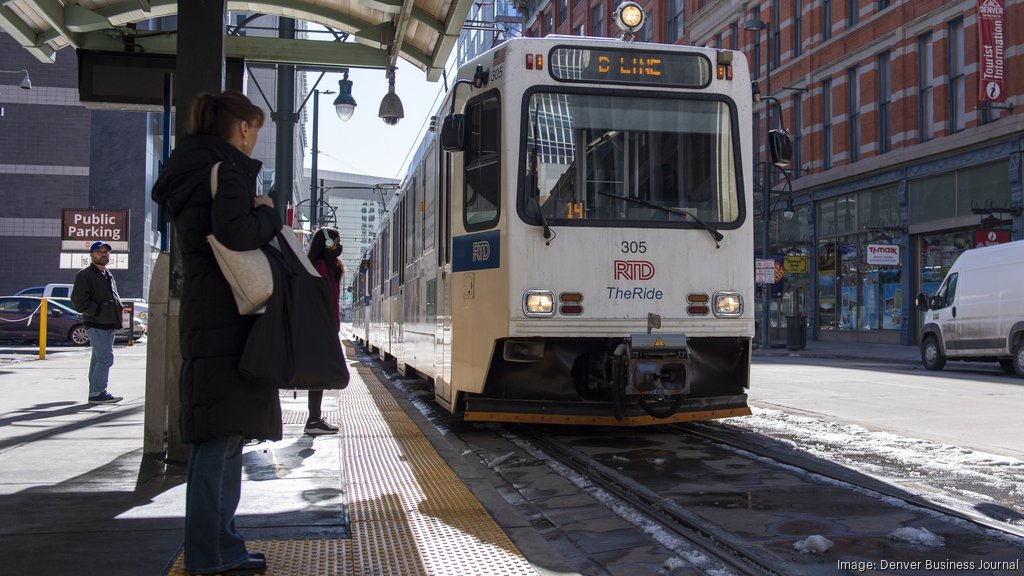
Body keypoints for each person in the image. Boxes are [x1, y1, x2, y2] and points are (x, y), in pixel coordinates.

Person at [151, 90, 281, 576]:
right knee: (218, 446)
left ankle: (221, 548)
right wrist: (267, 211)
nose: (254, 141)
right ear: (243, 128)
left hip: (209, 315)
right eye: (255, 131)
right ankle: (211, 556)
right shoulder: (226, 171)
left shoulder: (190, 170)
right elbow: (236, 233)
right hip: (228, 318)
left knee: (223, 438)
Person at [71, 241, 125, 405]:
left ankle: (94, 392)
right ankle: (98, 393)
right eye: (99, 251)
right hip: (96, 323)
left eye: (106, 252)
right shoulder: (85, 275)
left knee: (97, 360)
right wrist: (97, 311)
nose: (104, 254)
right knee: (106, 359)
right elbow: (78, 301)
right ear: (92, 255)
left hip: (109, 323)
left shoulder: (107, 274)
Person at [304, 227, 344, 436]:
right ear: (327, 244)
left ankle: (314, 419)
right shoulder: (320, 266)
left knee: (319, 374)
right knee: (318, 374)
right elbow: (322, 300)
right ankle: (313, 420)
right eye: (336, 243)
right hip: (320, 327)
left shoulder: (326, 266)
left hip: (324, 327)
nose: (338, 247)